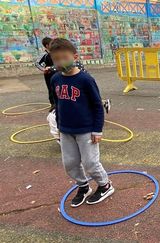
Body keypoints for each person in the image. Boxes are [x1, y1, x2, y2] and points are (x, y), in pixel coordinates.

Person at [50, 38, 114, 207]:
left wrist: (97, 130)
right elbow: (58, 104)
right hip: (66, 130)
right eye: (56, 59)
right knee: (69, 163)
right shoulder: (55, 79)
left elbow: (97, 106)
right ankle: (83, 186)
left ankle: (105, 185)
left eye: (64, 57)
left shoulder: (85, 80)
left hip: (86, 130)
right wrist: (58, 125)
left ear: (75, 56)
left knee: (90, 162)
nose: (60, 62)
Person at [35, 37, 55, 109]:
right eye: (51, 44)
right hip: (49, 75)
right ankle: (53, 103)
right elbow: (37, 63)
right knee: (51, 88)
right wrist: (43, 70)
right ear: (47, 45)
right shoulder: (44, 54)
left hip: (57, 73)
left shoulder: (55, 52)